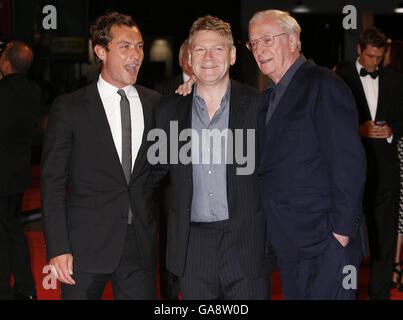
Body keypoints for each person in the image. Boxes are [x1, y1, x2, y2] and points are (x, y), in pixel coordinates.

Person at [153, 15, 276, 300]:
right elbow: (153, 173)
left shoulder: (260, 107)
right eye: (200, 50)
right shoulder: (169, 111)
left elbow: (279, 174)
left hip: (247, 242)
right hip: (191, 246)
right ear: (189, 57)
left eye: (218, 49)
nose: (208, 57)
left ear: (232, 54)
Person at [247, 10, 366, 299]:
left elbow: (350, 166)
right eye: (253, 44)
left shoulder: (324, 85)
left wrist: (340, 236)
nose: (260, 50)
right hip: (290, 243)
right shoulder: (268, 98)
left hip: (326, 243)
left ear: (293, 40)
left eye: (267, 40)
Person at [40, 12, 160, 300]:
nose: (136, 55)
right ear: (101, 51)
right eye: (125, 46)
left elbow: (162, 168)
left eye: (140, 46)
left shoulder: (157, 104)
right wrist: (57, 247)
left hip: (139, 247)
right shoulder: (70, 108)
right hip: (83, 248)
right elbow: (52, 182)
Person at [336, 28, 403, 299]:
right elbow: (331, 122)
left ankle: (380, 295)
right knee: (345, 238)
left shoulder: (396, 80)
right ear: (359, 50)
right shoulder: (340, 78)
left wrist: (392, 131)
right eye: (370, 56)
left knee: (384, 239)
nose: (374, 62)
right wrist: (358, 129)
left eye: (379, 57)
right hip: (351, 173)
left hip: (386, 171)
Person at [153, 39, 194, 300]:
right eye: (192, 54)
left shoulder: (220, 88)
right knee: (169, 243)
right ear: (181, 60)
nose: (197, 59)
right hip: (170, 182)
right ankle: (169, 296)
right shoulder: (162, 91)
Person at [0, 41, 40, 300]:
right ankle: (26, 289)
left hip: (1, 175)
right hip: (19, 174)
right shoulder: (34, 91)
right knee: (13, 230)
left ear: (6, 62)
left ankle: (5, 289)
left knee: (5, 233)